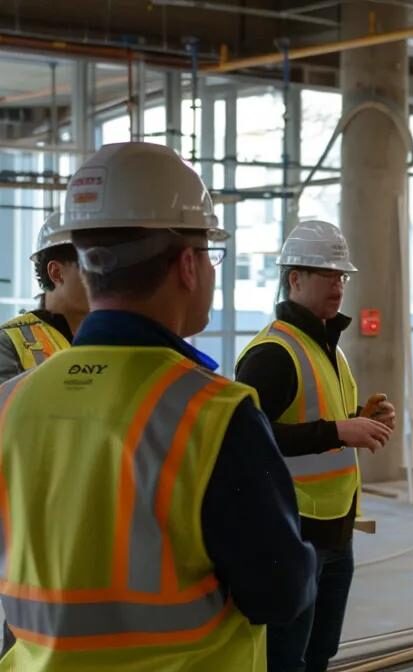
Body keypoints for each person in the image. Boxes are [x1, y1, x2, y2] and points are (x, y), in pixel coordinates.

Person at [0, 142, 316, 671]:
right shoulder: (214, 412)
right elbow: (277, 593)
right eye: (211, 255)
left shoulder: (12, 402)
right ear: (188, 266)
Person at [236, 219, 396, 672]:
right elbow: (243, 442)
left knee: (319, 654)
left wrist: (362, 420)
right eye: (328, 274)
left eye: (342, 275)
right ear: (295, 278)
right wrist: (339, 431)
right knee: (286, 660)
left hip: (336, 530)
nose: (338, 285)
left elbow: (326, 422)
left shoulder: (329, 348)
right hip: (292, 534)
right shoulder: (273, 354)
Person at [0, 212, 88, 383]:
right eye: (92, 267)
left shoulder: (116, 338)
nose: (106, 278)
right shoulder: (8, 343)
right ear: (56, 273)